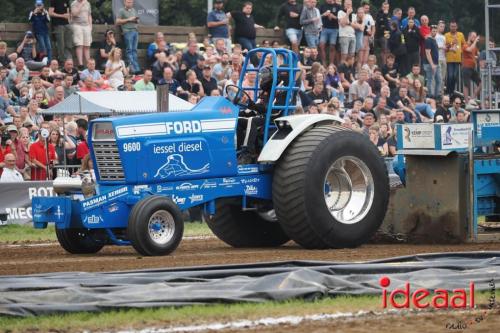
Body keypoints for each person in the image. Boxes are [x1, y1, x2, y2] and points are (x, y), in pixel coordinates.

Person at [116, 0, 141, 74]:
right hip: (127, 31)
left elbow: (137, 21)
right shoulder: (121, 10)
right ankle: (133, 68)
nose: (129, 3)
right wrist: (129, 19)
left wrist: (136, 20)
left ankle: (136, 68)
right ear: (125, 2)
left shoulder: (133, 10)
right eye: (128, 2)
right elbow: (117, 21)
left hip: (135, 31)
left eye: (131, 2)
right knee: (129, 50)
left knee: (134, 50)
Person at [445, 21, 466, 95]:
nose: (453, 28)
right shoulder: (446, 35)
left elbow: (464, 45)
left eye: (454, 26)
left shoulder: (460, 34)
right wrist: (452, 43)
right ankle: (448, 92)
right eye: (452, 26)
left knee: (454, 76)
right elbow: (445, 47)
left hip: (458, 59)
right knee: (450, 76)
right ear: (449, 27)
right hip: (449, 59)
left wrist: (463, 54)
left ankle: (452, 92)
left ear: (457, 27)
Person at [70, 0, 92, 69]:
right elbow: (74, 14)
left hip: (86, 26)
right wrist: (81, 4)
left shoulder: (87, 3)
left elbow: (89, 15)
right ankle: (80, 64)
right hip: (77, 25)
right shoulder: (74, 3)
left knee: (87, 45)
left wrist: (90, 26)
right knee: (79, 45)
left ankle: (89, 64)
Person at [423, 25, 441, 99]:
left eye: (436, 31)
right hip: (430, 64)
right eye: (433, 31)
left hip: (436, 63)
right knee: (430, 80)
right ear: (430, 31)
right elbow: (427, 52)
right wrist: (432, 64)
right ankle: (430, 96)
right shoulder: (428, 40)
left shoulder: (434, 39)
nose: (435, 32)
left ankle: (437, 96)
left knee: (439, 80)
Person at [462, 31, 481, 101]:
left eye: (475, 37)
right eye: (473, 36)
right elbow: (469, 50)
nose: (475, 38)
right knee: (466, 85)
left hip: (472, 68)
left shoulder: (474, 46)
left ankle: (472, 99)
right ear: (469, 37)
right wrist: (475, 41)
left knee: (480, 83)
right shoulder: (465, 44)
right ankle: (467, 102)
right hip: (466, 67)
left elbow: (479, 54)